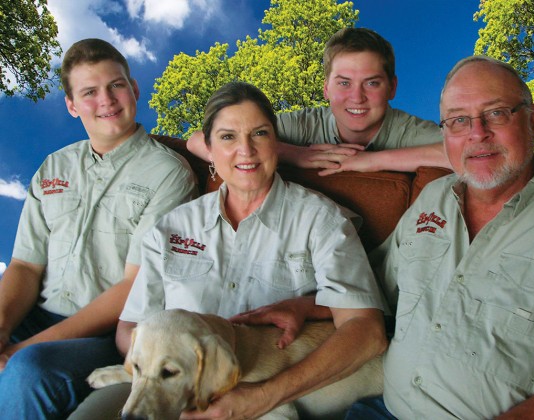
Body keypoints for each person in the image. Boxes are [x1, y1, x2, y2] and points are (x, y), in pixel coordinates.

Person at [235, 56, 534, 419]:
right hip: (382, 408)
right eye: (458, 120)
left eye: (495, 113)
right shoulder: (436, 199)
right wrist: (307, 307)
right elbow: (379, 284)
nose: (477, 134)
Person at [71, 81, 387, 419]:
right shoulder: (169, 229)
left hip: (278, 394)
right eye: (227, 137)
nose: (246, 151)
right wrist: (172, 374)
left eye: (260, 134)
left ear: (276, 143)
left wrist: (262, 396)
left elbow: (367, 333)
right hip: (167, 387)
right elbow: (129, 332)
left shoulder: (322, 220)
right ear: (208, 147)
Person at [0, 38, 197, 418]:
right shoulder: (53, 168)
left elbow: (132, 287)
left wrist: (22, 350)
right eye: (89, 92)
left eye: (116, 85)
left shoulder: (169, 174)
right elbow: (24, 266)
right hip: (34, 317)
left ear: (134, 88)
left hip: (105, 334)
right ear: (72, 106)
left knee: (28, 371)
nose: (106, 100)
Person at [186, 27, 450, 175]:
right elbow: (197, 140)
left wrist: (373, 161)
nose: (356, 97)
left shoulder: (408, 131)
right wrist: (292, 153)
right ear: (325, 89)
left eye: (371, 83)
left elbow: (466, 155)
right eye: (344, 83)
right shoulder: (304, 125)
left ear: (392, 87)